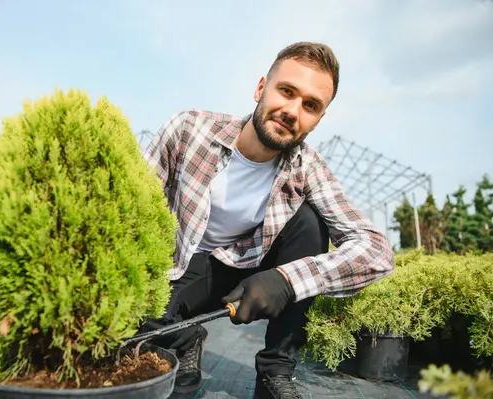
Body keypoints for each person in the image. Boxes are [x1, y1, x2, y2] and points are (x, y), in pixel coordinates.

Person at [141, 41, 395, 399]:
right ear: (261, 88)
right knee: (137, 322)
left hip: (254, 271)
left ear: (318, 119)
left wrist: (287, 281)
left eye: (310, 105)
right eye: (286, 91)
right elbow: (133, 212)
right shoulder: (189, 130)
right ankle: (186, 337)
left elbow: (377, 251)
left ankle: (275, 371)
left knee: (310, 222)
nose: (292, 111)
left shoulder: (307, 168)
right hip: (187, 266)